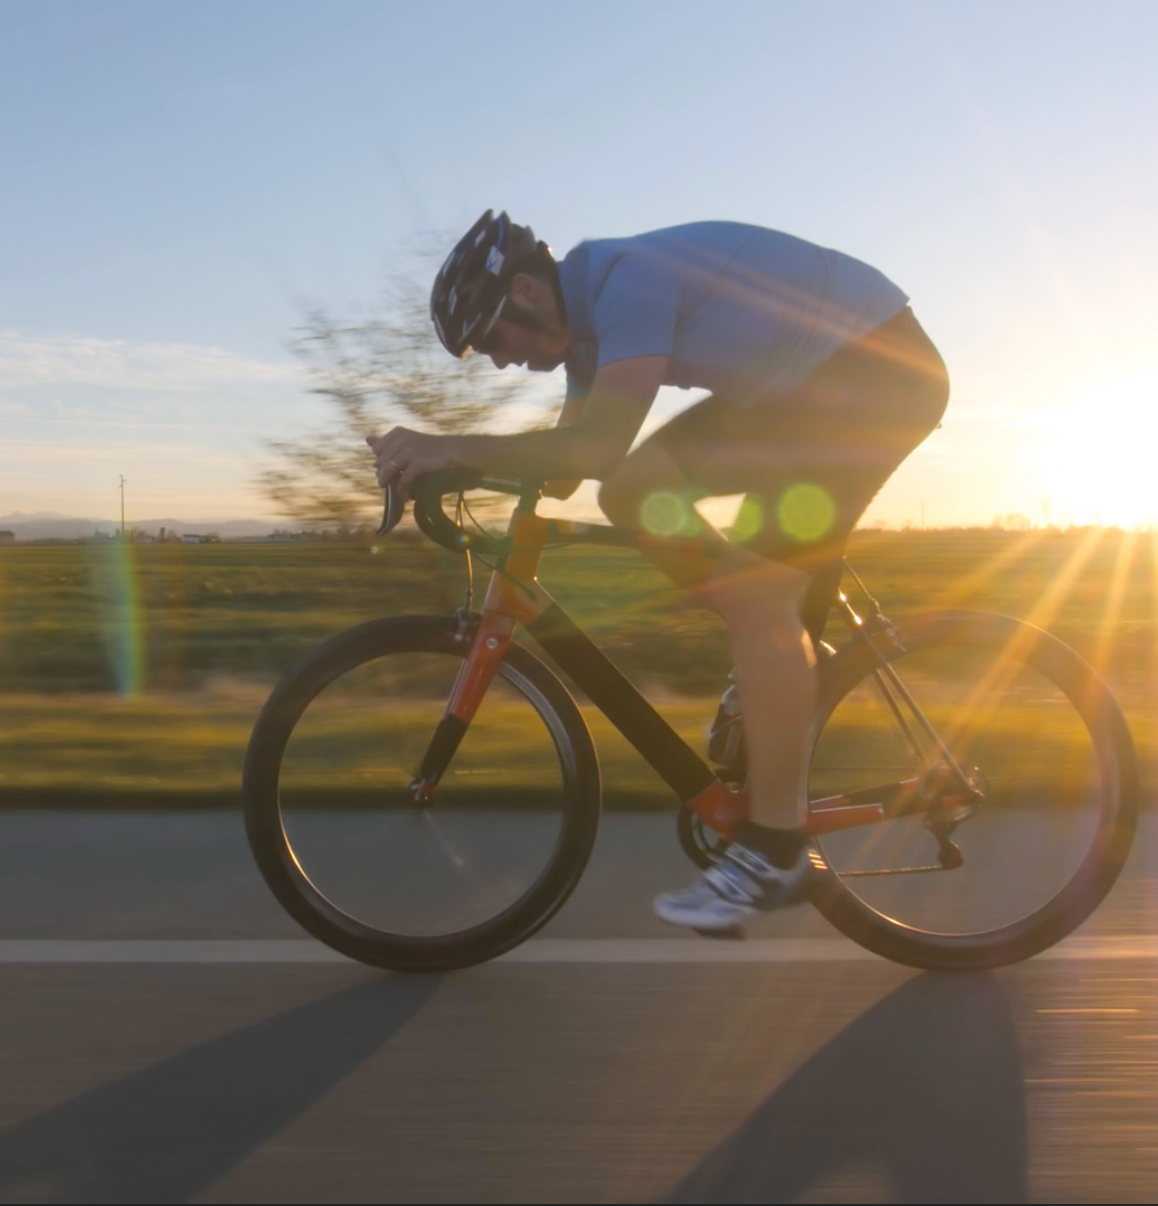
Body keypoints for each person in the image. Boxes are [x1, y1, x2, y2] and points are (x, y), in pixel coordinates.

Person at [368, 211, 949, 932]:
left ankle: (776, 850)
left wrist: (452, 447)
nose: (498, 360)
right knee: (639, 496)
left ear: (525, 287)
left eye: (491, 336)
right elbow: (564, 466)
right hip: (795, 391)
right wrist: (445, 468)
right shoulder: (585, 325)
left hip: (870, 376)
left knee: (749, 591)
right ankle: (788, 659)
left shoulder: (624, 284)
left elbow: (595, 447)